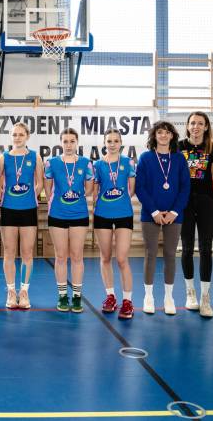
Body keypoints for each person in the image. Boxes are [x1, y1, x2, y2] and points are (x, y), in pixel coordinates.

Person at [135, 121, 190, 316]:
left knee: (170, 254)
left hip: (175, 215)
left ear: (172, 136)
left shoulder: (179, 158)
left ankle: (169, 297)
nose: (163, 135)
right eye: (160, 132)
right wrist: (154, 212)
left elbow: (185, 187)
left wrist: (175, 211)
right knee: (150, 254)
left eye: (167, 132)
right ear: (154, 135)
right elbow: (140, 187)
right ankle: (148, 296)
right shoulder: (146, 158)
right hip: (150, 214)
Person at [44, 128, 93, 313]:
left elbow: (89, 189)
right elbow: (48, 190)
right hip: (57, 214)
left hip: (79, 214)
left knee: (77, 255)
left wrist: (74, 196)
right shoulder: (52, 163)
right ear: (61, 143)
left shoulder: (86, 163)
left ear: (77, 142)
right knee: (60, 256)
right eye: (65, 141)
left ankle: (77, 296)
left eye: (72, 141)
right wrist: (59, 201)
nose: (69, 145)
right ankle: (63, 295)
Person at [178, 111, 213, 318]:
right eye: (192, 123)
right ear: (187, 126)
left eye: (200, 123)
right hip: (184, 203)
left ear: (206, 127)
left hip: (205, 202)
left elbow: (212, 176)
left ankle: (205, 297)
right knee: (186, 248)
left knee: (206, 248)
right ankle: (190, 293)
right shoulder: (178, 146)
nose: (196, 126)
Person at [0, 122, 43, 310]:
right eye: (14, 135)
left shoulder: (35, 156)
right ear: (11, 137)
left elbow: (40, 183)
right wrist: (1, 194)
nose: (17, 138)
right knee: (9, 251)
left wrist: (29, 196)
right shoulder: (4, 157)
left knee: (27, 252)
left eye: (21, 134)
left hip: (28, 209)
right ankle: (11, 291)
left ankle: (24, 291)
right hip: (8, 209)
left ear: (27, 136)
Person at [93, 128, 137, 319]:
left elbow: (132, 190)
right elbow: (95, 191)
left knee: (121, 258)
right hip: (102, 214)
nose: (112, 144)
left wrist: (119, 200)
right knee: (105, 257)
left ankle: (127, 301)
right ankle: (110, 296)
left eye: (116, 141)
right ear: (104, 143)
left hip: (123, 214)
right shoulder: (97, 164)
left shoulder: (128, 162)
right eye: (109, 141)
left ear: (121, 143)